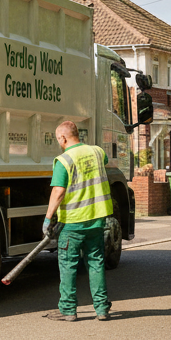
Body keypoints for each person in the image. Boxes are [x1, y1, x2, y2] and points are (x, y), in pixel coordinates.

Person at [40, 120, 113, 322]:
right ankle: (101, 309)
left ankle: (68, 310)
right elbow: (102, 164)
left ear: (63, 138)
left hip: (73, 222)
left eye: (58, 140)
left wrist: (48, 219)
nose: (58, 143)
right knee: (96, 262)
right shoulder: (98, 152)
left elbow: (58, 191)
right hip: (97, 219)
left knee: (68, 264)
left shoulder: (64, 160)